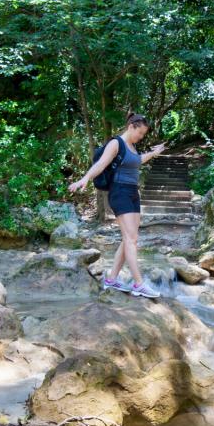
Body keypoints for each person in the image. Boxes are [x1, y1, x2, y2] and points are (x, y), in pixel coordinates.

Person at [68, 112, 166, 298]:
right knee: (131, 239)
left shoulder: (133, 147)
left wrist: (154, 153)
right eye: (140, 133)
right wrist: (85, 178)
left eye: (143, 134)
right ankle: (138, 284)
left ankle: (111, 279)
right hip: (119, 192)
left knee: (129, 238)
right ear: (131, 127)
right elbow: (101, 164)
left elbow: (138, 161)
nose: (141, 137)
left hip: (133, 193)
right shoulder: (116, 143)